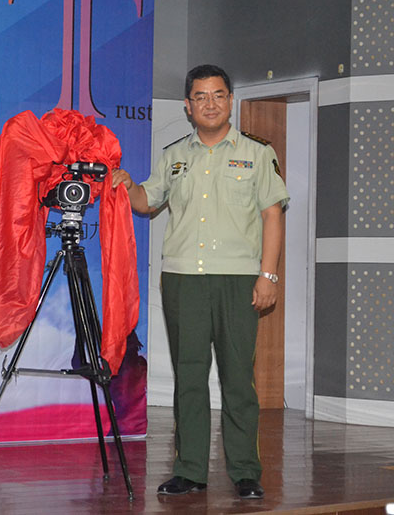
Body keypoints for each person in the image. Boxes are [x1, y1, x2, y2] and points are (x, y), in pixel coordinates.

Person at [112, 64, 289, 500]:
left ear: (230, 100)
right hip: (183, 280)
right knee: (189, 376)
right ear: (188, 107)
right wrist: (127, 186)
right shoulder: (174, 155)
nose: (210, 104)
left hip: (238, 280)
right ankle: (189, 469)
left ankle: (245, 471)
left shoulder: (257, 153)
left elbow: (272, 215)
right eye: (200, 97)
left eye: (218, 95)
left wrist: (268, 275)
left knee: (237, 378)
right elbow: (147, 201)